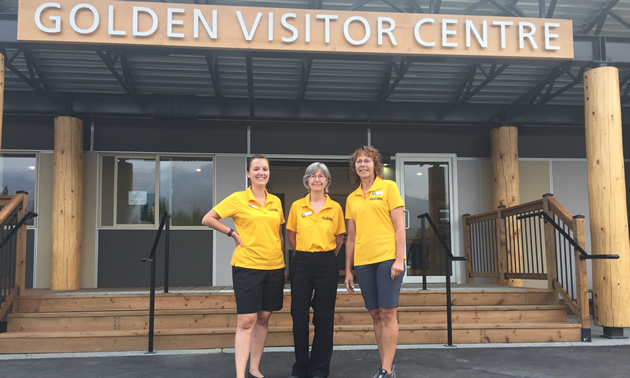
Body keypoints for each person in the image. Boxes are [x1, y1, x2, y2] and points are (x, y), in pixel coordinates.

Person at [202, 154, 285, 378]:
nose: (261, 172)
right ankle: (240, 374)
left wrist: (282, 261)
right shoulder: (238, 198)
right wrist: (232, 233)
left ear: (269, 173)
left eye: (265, 169)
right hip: (247, 266)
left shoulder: (275, 201)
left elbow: (278, 234)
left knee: (264, 317)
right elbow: (208, 218)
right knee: (247, 319)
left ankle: (255, 368)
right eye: (256, 169)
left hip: (274, 267)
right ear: (248, 173)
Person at [344, 146, 405, 378]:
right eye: (358, 161)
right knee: (375, 314)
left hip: (388, 259)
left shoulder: (389, 187)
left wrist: (399, 259)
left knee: (388, 313)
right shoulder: (352, 197)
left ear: (375, 164)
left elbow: (400, 226)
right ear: (354, 167)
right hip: (363, 262)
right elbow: (351, 237)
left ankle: (387, 370)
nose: (362, 165)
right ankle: (385, 365)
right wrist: (348, 270)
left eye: (367, 161)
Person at [286, 162, 346, 378]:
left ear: (327, 181)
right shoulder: (296, 206)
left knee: (324, 315)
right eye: (313, 176)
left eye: (322, 176)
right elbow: (292, 237)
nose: (317, 179)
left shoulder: (336, 208)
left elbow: (339, 239)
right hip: (302, 262)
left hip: (327, 263)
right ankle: (301, 366)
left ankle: (319, 368)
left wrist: (324, 256)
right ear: (307, 180)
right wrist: (305, 254)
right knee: (298, 314)